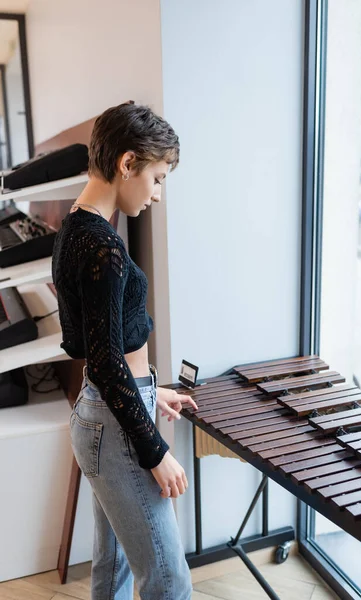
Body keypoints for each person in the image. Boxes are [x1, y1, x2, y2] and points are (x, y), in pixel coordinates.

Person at [51, 101, 198, 600]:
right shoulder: (103, 248)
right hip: (115, 426)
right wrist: (155, 452)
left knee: (112, 565)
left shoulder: (75, 227)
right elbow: (110, 362)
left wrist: (151, 394)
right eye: (157, 178)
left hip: (102, 411)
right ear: (127, 163)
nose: (157, 194)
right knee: (169, 579)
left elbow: (100, 351)